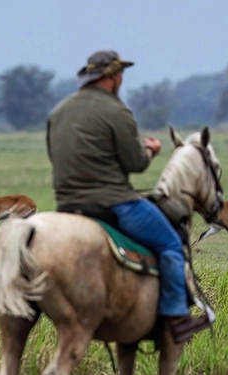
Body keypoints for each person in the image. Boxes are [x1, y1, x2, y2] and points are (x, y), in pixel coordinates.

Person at [46, 50, 212, 343]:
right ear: (111, 77)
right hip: (112, 201)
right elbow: (135, 163)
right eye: (120, 73)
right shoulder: (116, 111)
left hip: (66, 204)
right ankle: (176, 318)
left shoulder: (58, 111)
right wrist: (151, 149)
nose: (122, 78)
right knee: (171, 244)